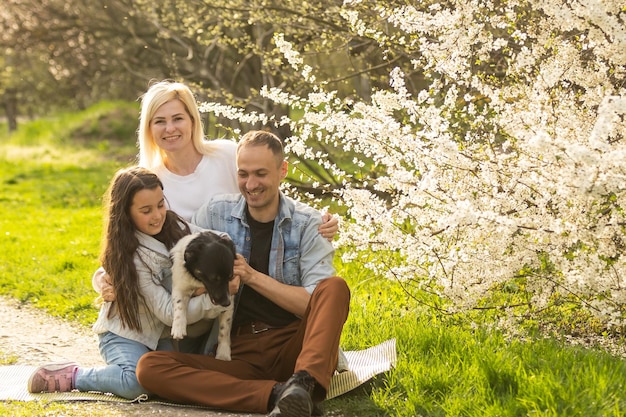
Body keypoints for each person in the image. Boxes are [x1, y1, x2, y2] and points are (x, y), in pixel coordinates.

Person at [136, 130, 351, 417]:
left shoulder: (308, 224)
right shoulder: (215, 213)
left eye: (261, 173)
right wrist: (111, 271)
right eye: (243, 174)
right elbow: (172, 254)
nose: (251, 184)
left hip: (293, 348)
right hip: (236, 352)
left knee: (334, 287)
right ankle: (278, 396)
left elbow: (312, 302)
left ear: (282, 170)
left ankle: (303, 385)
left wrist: (251, 276)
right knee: (150, 367)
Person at [94, 80, 338, 299]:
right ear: (148, 128)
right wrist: (102, 277)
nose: (170, 129)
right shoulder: (150, 180)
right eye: (160, 121)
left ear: (192, 120)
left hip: (249, 268)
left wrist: (317, 221)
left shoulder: (226, 155)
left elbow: (266, 188)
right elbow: (128, 238)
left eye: (177, 118)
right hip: (190, 289)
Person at [27, 167, 236, 399]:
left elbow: (218, 238)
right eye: (146, 210)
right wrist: (214, 298)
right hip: (124, 335)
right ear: (126, 214)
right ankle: (73, 376)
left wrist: (227, 256)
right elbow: (169, 312)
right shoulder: (133, 256)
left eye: (160, 204)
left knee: (166, 382)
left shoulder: (175, 226)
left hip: (160, 338)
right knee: (135, 383)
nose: (157, 215)